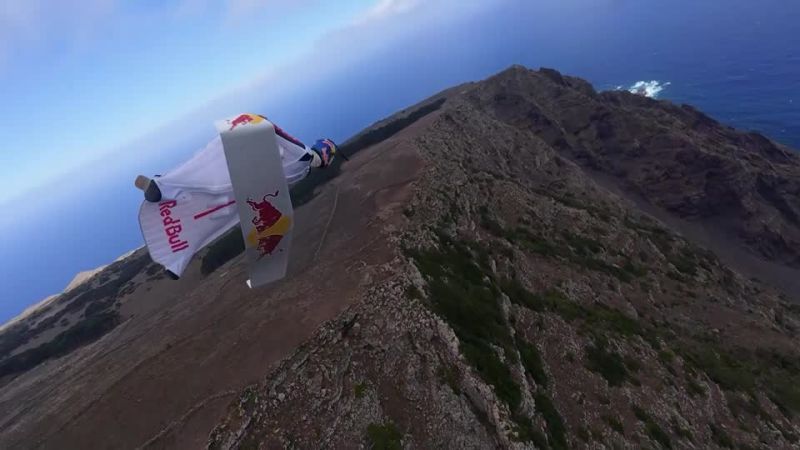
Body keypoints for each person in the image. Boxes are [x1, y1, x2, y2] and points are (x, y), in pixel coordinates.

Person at [135, 114, 337, 279]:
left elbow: (274, 132)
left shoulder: (303, 164)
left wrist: (256, 122)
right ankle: (164, 189)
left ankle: (177, 257)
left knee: (214, 208)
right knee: (214, 192)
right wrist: (256, 123)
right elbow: (278, 135)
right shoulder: (303, 158)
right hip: (255, 180)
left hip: (253, 185)